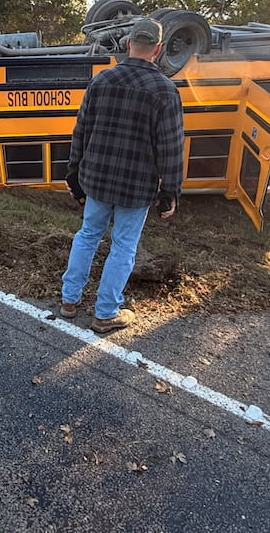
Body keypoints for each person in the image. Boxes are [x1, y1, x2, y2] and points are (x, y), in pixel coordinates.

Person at [59, 17, 184, 334]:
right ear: (157, 49)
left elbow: (81, 132)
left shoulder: (101, 81)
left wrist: (73, 172)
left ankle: (69, 301)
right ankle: (105, 313)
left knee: (87, 235)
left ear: (129, 44)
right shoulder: (165, 91)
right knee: (123, 247)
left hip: (97, 180)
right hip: (136, 186)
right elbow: (170, 147)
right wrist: (170, 191)